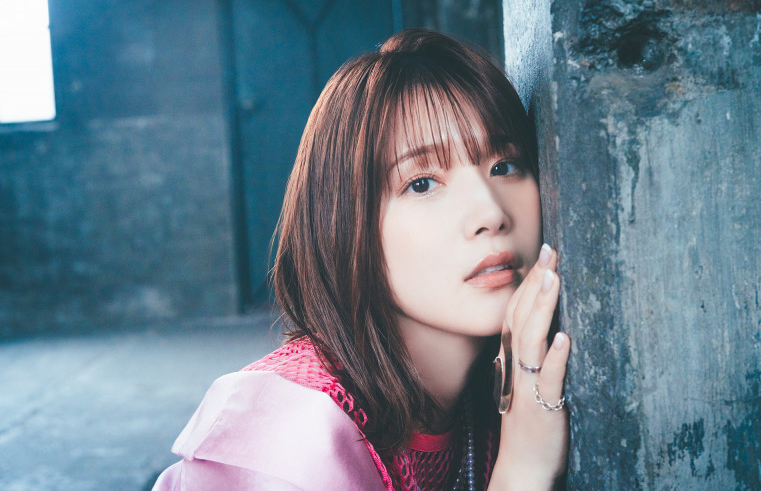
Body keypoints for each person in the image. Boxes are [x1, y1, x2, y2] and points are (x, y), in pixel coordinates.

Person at [153, 29, 570, 490]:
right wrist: (522, 470)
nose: (491, 214)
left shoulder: (487, 404)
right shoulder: (289, 441)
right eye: (421, 184)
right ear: (346, 223)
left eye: (503, 166)